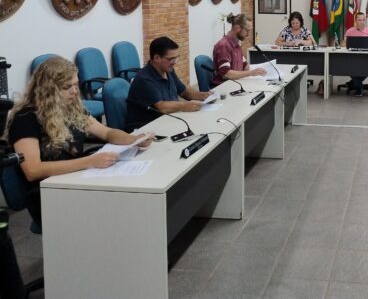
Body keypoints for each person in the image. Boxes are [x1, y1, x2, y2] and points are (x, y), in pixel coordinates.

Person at [5, 56, 154, 226]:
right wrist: (89, 161)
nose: (75, 91)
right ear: (48, 90)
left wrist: (132, 139)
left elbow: (106, 132)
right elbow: (33, 170)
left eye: (75, 85)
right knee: (118, 206)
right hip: (48, 193)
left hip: (76, 178)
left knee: (126, 196)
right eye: (67, 87)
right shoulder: (25, 118)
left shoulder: (70, 107)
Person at [126, 36, 213, 130]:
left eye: (176, 58)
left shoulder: (168, 70)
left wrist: (202, 96)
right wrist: (184, 106)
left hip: (168, 120)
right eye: (171, 59)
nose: (174, 62)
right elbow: (162, 107)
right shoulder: (144, 79)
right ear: (156, 57)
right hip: (146, 128)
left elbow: (184, 91)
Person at [212, 13, 267, 86]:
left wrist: (261, 69)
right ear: (237, 28)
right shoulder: (224, 46)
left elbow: (245, 66)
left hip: (235, 84)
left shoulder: (236, 45)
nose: (248, 34)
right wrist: (251, 73)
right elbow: (226, 74)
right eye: (247, 30)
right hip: (224, 87)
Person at [342, 11, 368, 97]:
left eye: (363, 20)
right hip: (352, 58)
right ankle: (357, 86)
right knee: (353, 67)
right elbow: (343, 44)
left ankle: (355, 85)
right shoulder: (350, 31)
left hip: (365, 58)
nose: (362, 22)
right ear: (355, 21)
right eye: (359, 20)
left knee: (363, 68)